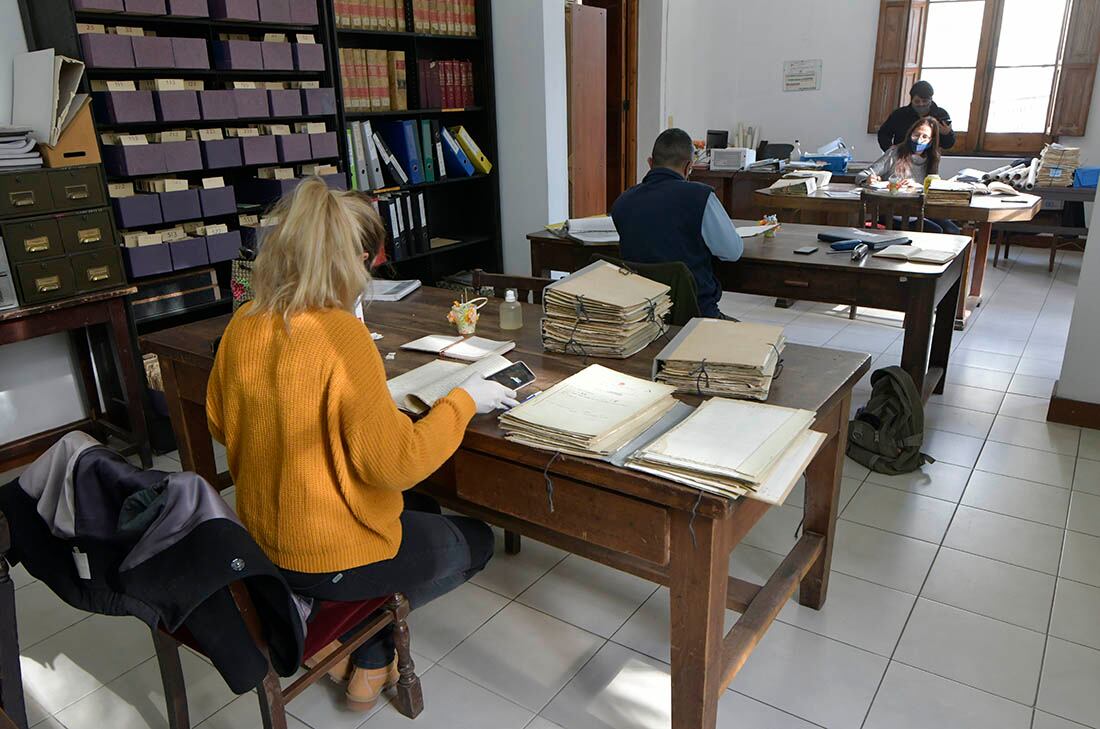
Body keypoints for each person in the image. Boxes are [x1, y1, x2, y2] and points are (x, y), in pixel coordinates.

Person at [205, 178, 517, 711]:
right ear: (351, 261)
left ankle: (346, 634)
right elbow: (397, 464)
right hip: (326, 554)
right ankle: (369, 646)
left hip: (262, 542)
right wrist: (465, 400)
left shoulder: (243, 322)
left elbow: (218, 421)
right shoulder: (341, 336)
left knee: (423, 509)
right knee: (476, 541)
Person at [610, 128, 743, 319]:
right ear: (689, 166)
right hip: (695, 317)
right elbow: (732, 251)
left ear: (650, 163)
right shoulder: (701, 197)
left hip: (642, 318)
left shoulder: (623, 201)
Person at [860, 117, 959, 234]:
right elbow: (862, 175)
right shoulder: (895, 153)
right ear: (910, 134)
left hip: (919, 210)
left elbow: (931, 188)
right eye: (916, 135)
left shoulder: (932, 159)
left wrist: (917, 186)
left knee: (952, 230)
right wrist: (868, 179)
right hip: (893, 211)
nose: (919, 140)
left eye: (925, 137)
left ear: (931, 141)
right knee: (936, 231)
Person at [878, 80, 956, 151]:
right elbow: (883, 134)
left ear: (931, 99)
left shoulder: (941, 115)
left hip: (929, 161)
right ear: (911, 100)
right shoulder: (899, 114)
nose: (921, 104)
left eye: (925, 101)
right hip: (901, 159)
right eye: (917, 101)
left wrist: (946, 134)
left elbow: (948, 144)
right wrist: (889, 148)